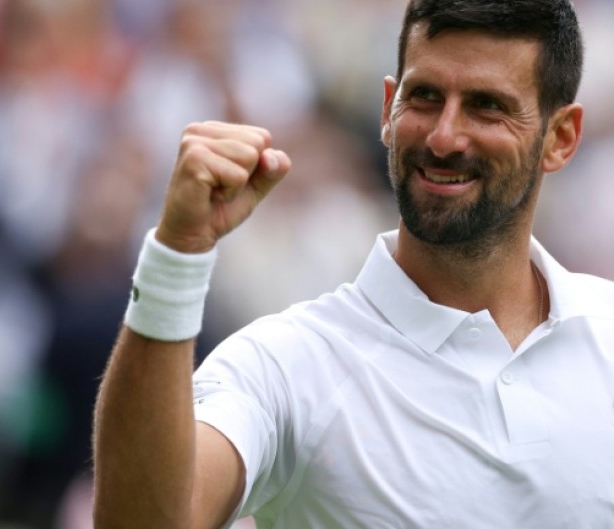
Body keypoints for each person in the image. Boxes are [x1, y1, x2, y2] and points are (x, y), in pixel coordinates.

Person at [92, 0, 614, 527]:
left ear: (560, 138)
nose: (443, 136)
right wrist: (176, 256)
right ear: (388, 109)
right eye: (425, 97)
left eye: (487, 106)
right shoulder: (284, 367)